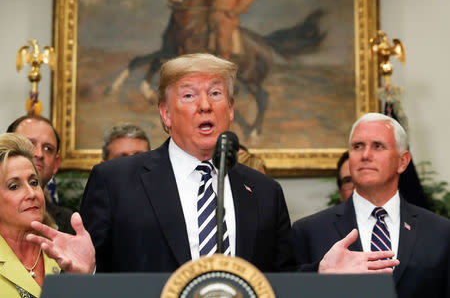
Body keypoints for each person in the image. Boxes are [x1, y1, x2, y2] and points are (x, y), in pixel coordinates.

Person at [81, 53, 398, 273]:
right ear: (165, 114)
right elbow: (92, 269)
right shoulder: (116, 182)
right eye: (189, 96)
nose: (205, 105)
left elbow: (277, 280)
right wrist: (85, 270)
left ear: (231, 109)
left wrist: (320, 272)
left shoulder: (263, 191)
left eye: (216, 93)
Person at [292, 113, 449, 298]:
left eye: (378, 146)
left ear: (402, 161)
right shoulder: (309, 231)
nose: (366, 155)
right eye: (358, 146)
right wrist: (320, 273)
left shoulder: (440, 232)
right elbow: (286, 290)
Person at [0, 133, 95, 298]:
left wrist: (87, 275)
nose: (31, 193)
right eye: (14, 186)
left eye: (34, 182)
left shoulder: (64, 243)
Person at [7, 115, 74, 234]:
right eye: (29, 144)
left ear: (56, 164)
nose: (39, 154)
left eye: (48, 149)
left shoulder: (70, 224)